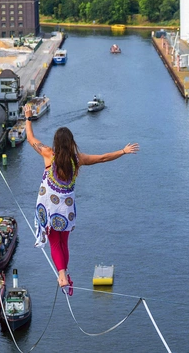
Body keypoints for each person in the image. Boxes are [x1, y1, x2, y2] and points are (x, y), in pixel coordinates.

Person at [23, 103, 139, 294]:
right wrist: (123, 151)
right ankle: (65, 273)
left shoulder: (48, 154)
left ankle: (61, 274)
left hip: (49, 209)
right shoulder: (77, 159)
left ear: (56, 143)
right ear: (71, 142)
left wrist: (28, 117)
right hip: (66, 210)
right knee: (63, 242)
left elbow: (30, 138)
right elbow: (102, 158)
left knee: (54, 242)